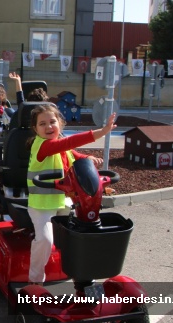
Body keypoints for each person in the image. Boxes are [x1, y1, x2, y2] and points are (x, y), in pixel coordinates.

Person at [26, 104, 117, 284]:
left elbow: (73, 153)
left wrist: (88, 159)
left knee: (83, 233)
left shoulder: (60, 146)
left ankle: (81, 274)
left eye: (52, 122)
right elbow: (69, 143)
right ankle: (35, 280)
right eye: (42, 124)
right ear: (35, 129)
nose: (48, 126)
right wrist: (102, 132)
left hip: (63, 202)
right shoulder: (42, 146)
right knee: (45, 240)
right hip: (41, 206)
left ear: (60, 123)